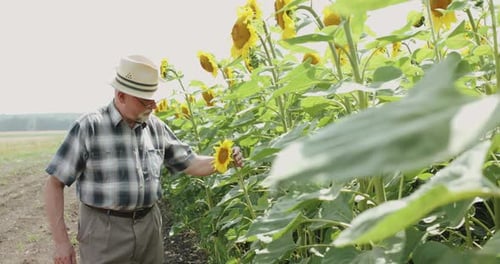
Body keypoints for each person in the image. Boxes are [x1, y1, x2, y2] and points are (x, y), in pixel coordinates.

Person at [43, 54, 244, 264]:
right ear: (121, 96)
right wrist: (61, 242)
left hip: (149, 226)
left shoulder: (155, 127)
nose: (153, 105)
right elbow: (54, 184)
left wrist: (225, 158)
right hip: (104, 230)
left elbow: (190, 162)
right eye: (145, 100)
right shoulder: (89, 127)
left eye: (153, 97)